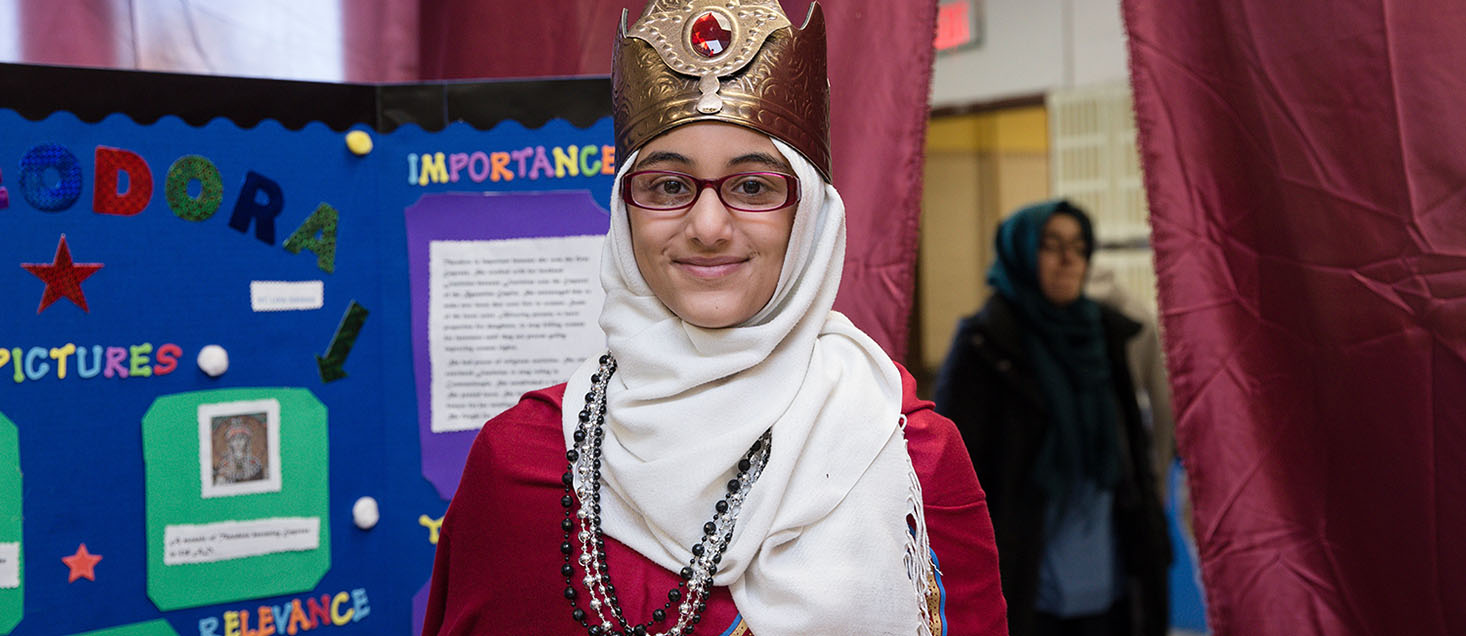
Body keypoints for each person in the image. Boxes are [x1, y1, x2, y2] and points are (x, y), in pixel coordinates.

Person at [422, 2, 1007, 635]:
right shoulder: (519, 463)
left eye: (753, 187)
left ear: (808, 217)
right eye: (669, 186)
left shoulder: (907, 455)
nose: (707, 227)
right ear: (625, 213)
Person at [934, 200, 1170, 636]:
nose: (1068, 260)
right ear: (1022, 253)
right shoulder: (984, 346)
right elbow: (954, 476)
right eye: (1052, 245)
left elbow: (1132, 453)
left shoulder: (1106, 335)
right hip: (1028, 582)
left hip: (1109, 577)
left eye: (1079, 247)